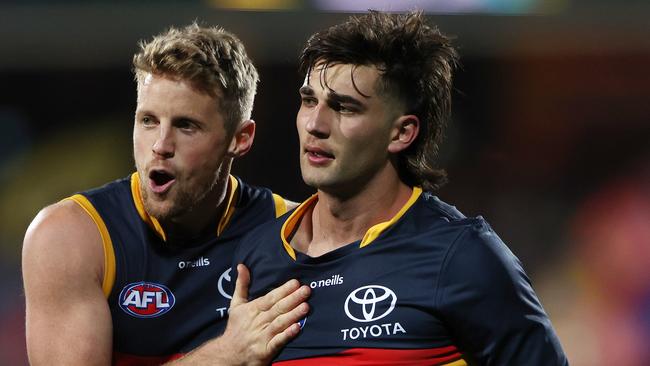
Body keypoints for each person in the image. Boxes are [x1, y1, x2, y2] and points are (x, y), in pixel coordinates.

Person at [232, 10, 569, 365]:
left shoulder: (461, 258)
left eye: (345, 108)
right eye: (309, 100)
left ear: (402, 133)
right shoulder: (255, 255)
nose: (315, 124)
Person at [22, 23, 310, 365]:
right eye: (148, 121)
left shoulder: (294, 231)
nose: (160, 145)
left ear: (240, 138)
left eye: (186, 126)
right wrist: (226, 354)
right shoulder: (70, 237)